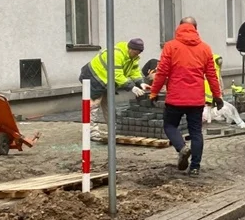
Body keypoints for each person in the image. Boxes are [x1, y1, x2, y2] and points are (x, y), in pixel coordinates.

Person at [149, 17, 222, 176]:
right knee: (196, 132)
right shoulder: (205, 48)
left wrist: (154, 92)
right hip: (196, 100)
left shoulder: (170, 46)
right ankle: (195, 167)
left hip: (175, 98)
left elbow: (162, 72)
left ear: (180, 27)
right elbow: (211, 75)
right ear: (196, 28)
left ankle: (182, 147)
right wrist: (217, 96)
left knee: (169, 126)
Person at [78, 38, 145, 142]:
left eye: (138, 53)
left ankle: (113, 130)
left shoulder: (133, 58)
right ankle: (91, 132)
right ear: (130, 49)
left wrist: (141, 83)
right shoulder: (116, 54)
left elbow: (134, 71)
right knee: (94, 104)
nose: (136, 55)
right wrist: (131, 87)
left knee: (109, 104)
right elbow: (116, 74)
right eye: (135, 52)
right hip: (94, 76)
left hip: (107, 80)